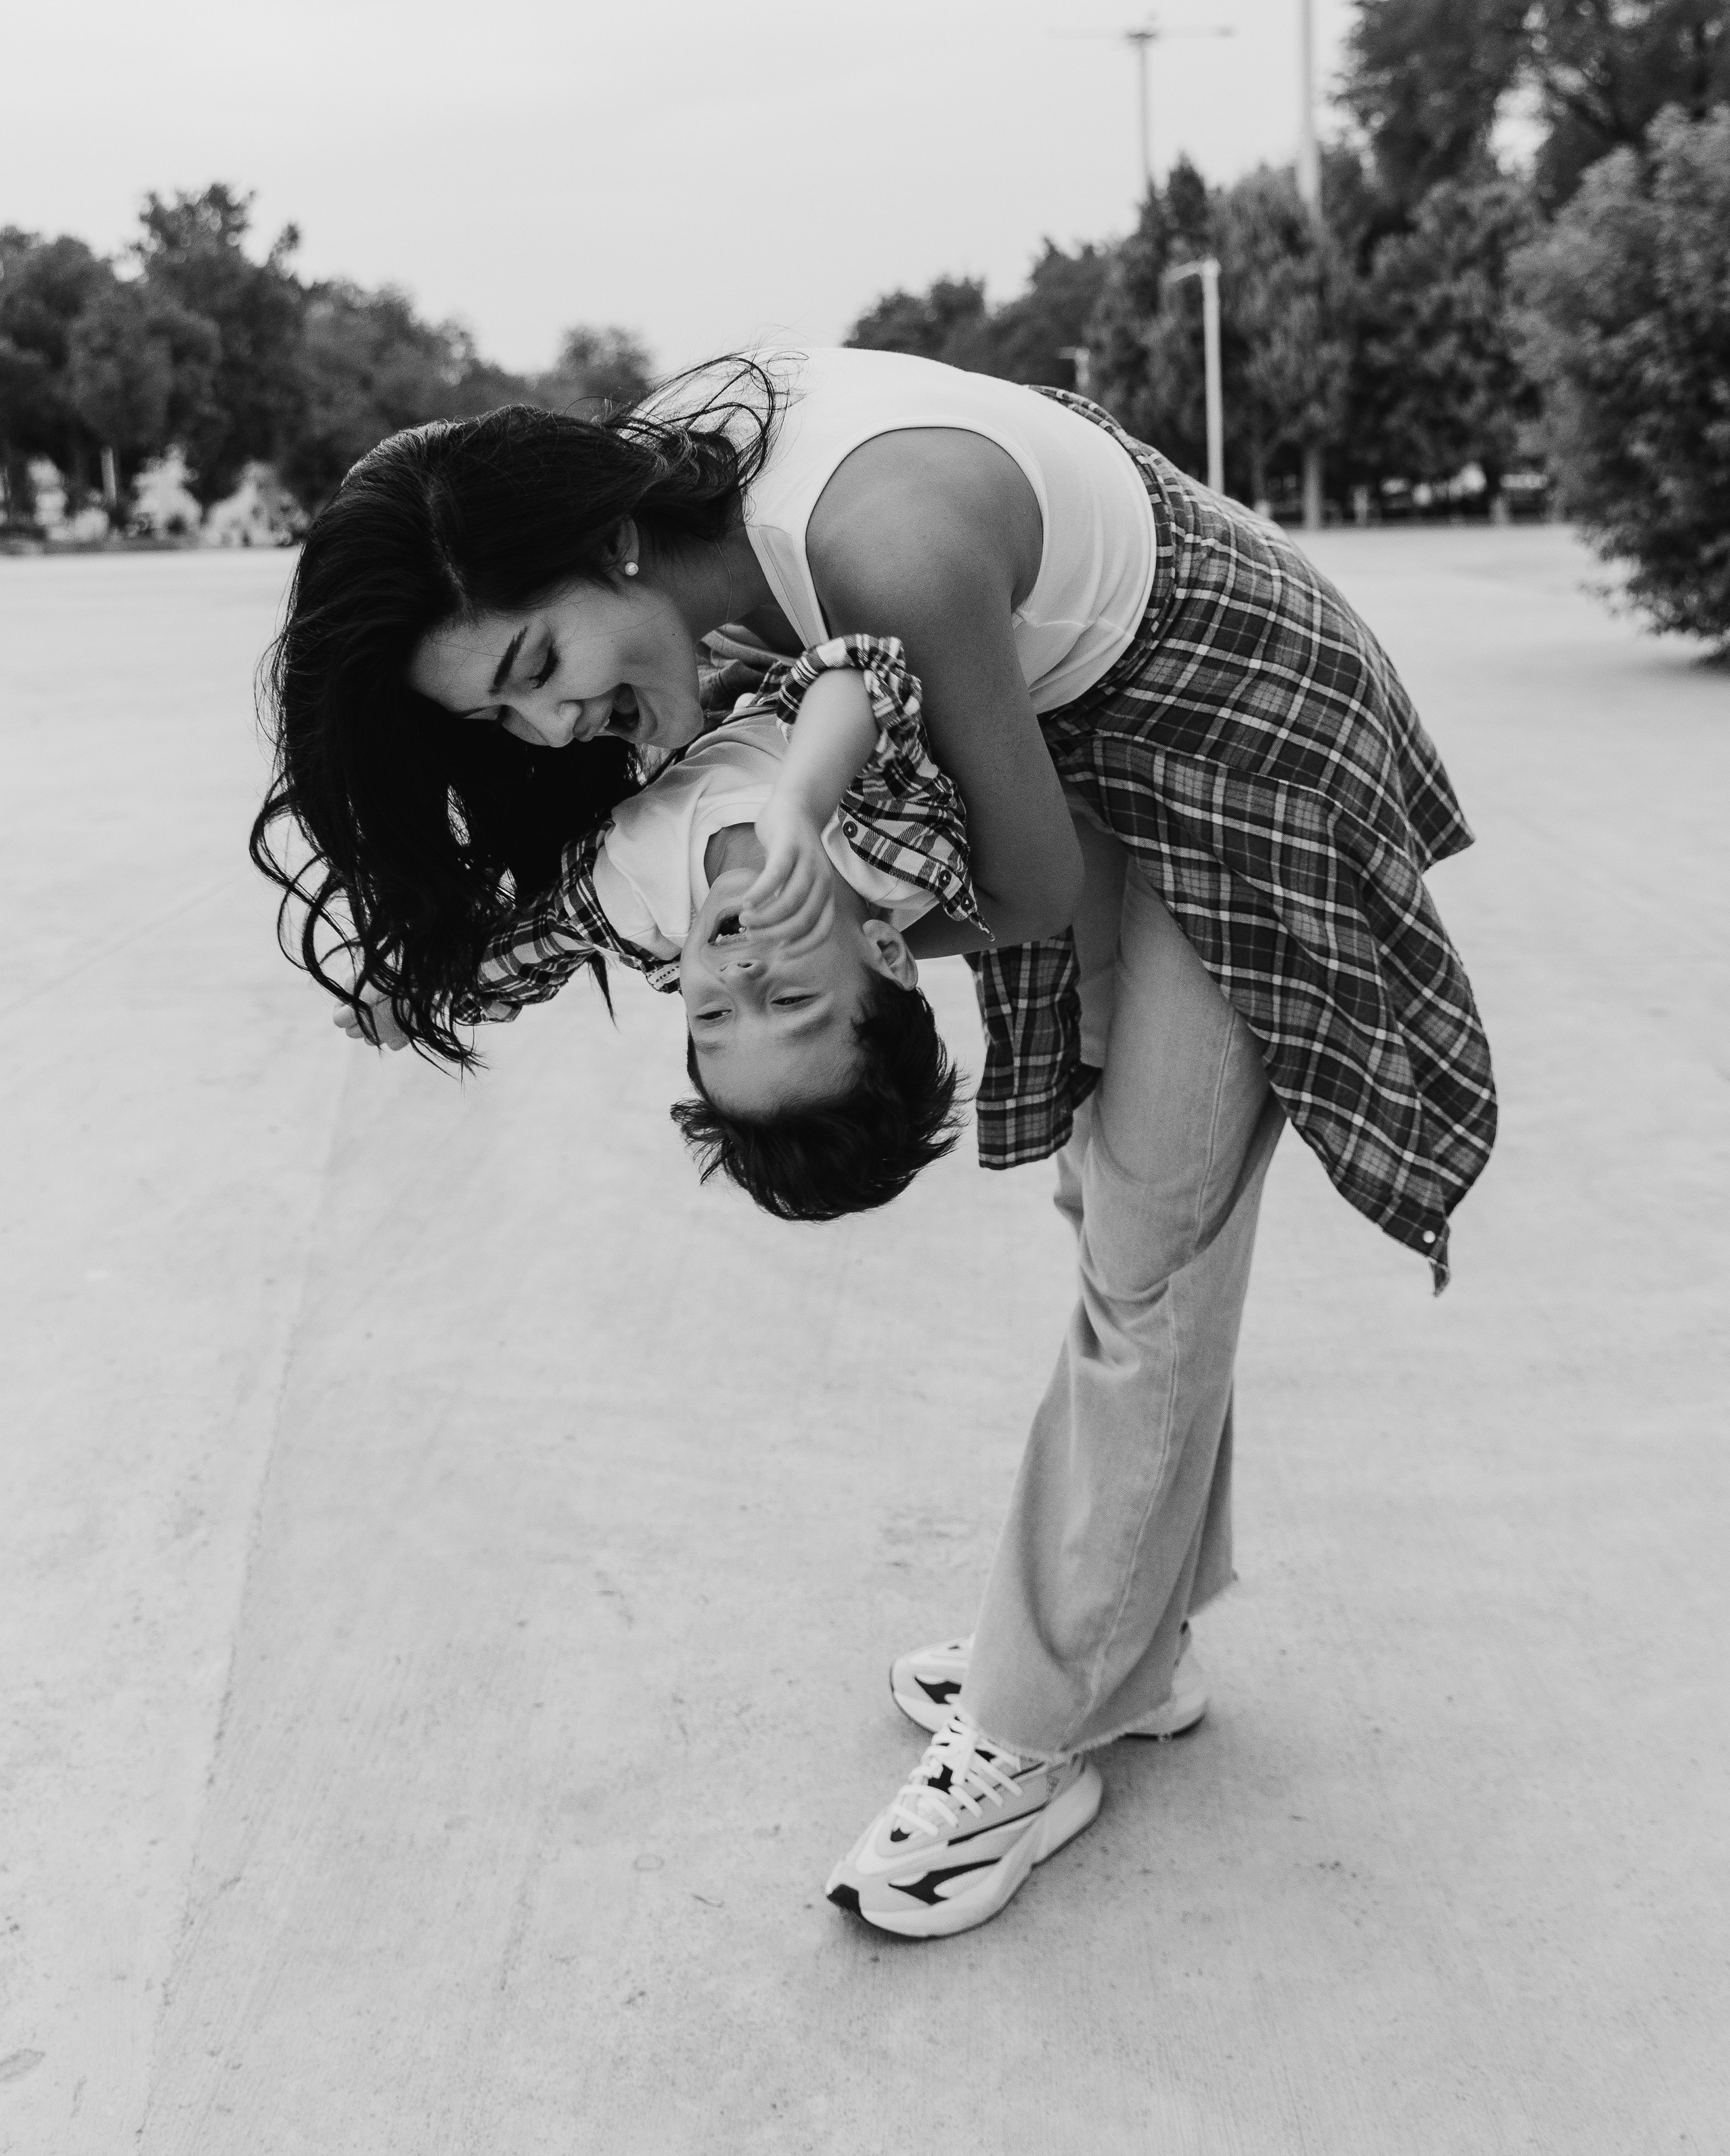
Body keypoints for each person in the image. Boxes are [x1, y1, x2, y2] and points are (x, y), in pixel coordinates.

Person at [253, 345, 1496, 1941]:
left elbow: (1027, 890)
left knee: (1149, 1233)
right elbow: (732, 838)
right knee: (1111, 1203)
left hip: (1231, 734)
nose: (563, 729)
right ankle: (1129, 1641)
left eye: (540, 665)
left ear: (598, 546)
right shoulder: (672, 536)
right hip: (1066, 740)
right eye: (513, 709)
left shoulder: (875, 552)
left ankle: (1034, 1734)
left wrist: (846, 916)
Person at [345, 631, 981, 1212]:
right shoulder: (899, 852)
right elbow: (866, 675)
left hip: (658, 691)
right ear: (888, 955)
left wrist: (418, 990)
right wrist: (802, 803)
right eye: (790, 999)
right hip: (768, 638)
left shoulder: (634, 901)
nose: (738, 976)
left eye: (713, 1017)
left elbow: (530, 948)